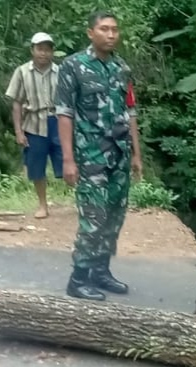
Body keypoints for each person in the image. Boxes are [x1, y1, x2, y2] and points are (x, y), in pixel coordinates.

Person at [55, 10, 144, 301]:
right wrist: (68, 159)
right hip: (90, 155)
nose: (111, 34)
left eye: (115, 29)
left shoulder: (122, 68)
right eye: (104, 29)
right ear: (90, 33)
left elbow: (130, 112)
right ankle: (78, 278)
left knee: (114, 216)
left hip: (119, 155)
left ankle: (101, 272)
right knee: (94, 217)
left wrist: (136, 154)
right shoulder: (73, 66)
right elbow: (65, 113)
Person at [5, 32, 62, 220]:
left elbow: (69, 102)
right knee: (36, 167)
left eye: (47, 49)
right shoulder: (22, 72)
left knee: (67, 163)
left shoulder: (60, 72)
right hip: (34, 124)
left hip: (58, 122)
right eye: (40, 49)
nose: (43, 53)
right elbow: (16, 103)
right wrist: (18, 131)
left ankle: (83, 203)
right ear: (32, 50)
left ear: (52, 52)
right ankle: (43, 205)